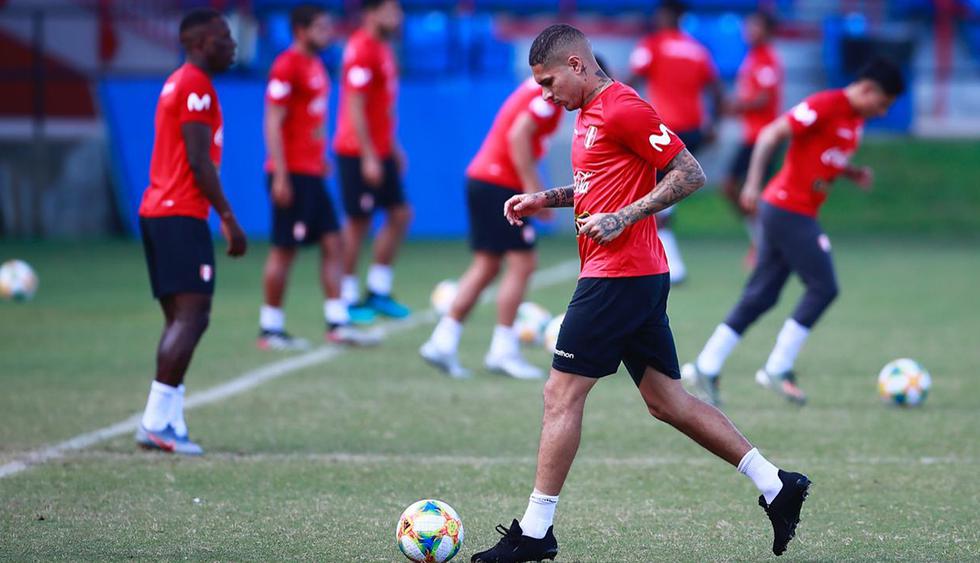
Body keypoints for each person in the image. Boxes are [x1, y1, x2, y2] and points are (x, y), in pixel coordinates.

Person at [471, 24, 810, 563]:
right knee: (667, 401)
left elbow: (689, 172)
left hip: (618, 276)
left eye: (547, 81)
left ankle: (536, 532)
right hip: (634, 275)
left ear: (577, 66)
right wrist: (543, 197)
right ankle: (776, 484)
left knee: (560, 394)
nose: (544, 95)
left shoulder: (623, 107)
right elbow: (594, 191)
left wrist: (625, 216)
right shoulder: (586, 117)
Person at [683, 57, 906, 407]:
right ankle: (777, 367)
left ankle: (705, 366)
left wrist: (852, 173)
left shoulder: (854, 120)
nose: (881, 112)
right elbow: (772, 133)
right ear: (867, 89)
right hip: (787, 208)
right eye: (882, 104)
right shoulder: (825, 104)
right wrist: (753, 183)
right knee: (824, 287)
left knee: (761, 296)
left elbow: (826, 156)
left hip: (793, 210)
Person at [135, 8, 246, 455]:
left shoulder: (180, 82)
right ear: (200, 43)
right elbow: (199, 162)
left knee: (179, 317)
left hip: (160, 211)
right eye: (224, 37)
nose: (232, 44)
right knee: (192, 317)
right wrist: (229, 217)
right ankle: (156, 422)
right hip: (179, 212)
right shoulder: (194, 85)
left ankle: (169, 419)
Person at [419, 77, 563, 380]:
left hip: (483, 179)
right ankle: (503, 351)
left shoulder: (540, 87)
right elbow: (518, 135)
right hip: (500, 183)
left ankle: (442, 341)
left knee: (487, 266)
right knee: (523, 263)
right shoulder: (552, 94)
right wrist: (533, 190)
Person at [258, 4, 378, 350]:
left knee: (333, 242)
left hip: (311, 171)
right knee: (285, 250)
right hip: (291, 174)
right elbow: (273, 120)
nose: (328, 34)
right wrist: (280, 174)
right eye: (321, 28)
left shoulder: (315, 66)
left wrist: (318, 157)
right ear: (301, 30)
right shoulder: (287, 65)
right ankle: (270, 328)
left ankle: (337, 321)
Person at [628, 0, 723, 284]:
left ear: (668, 14)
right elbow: (717, 91)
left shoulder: (653, 45)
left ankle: (668, 266)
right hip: (692, 131)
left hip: (663, 133)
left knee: (652, 192)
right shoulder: (697, 50)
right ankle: (665, 262)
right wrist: (713, 124)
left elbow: (630, 80)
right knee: (664, 190)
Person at [333, 0, 412, 319]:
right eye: (392, 10)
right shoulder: (362, 49)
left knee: (400, 214)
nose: (398, 17)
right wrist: (367, 155)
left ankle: (378, 290)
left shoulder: (382, 48)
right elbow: (355, 106)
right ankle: (347, 298)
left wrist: (391, 146)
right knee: (357, 223)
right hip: (357, 152)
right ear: (371, 13)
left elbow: (380, 108)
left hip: (379, 150)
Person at [723, 11, 783, 267]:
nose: (748, 30)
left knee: (752, 192)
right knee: (732, 187)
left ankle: (767, 246)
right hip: (751, 136)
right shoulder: (752, 57)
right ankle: (763, 242)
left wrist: (737, 106)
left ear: (767, 31)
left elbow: (764, 98)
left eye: (754, 26)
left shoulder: (768, 59)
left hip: (764, 138)